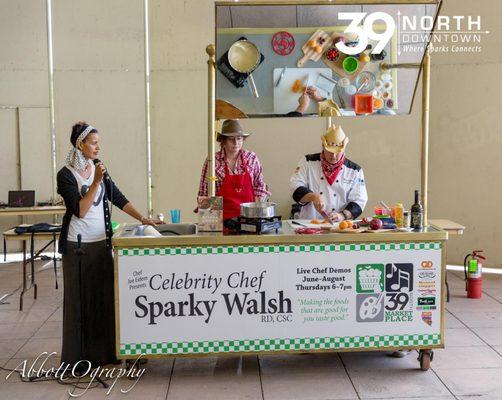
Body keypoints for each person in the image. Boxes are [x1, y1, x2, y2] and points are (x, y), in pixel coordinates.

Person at [57, 121, 158, 369]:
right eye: (93, 143)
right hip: (77, 247)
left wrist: (143, 218)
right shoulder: (66, 174)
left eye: (98, 143)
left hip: (102, 244)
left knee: (105, 299)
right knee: (80, 303)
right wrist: (94, 183)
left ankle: (105, 354)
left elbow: (117, 197)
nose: (97, 148)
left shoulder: (99, 168)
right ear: (80, 144)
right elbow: (80, 210)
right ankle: (78, 360)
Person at [290, 124, 367, 221]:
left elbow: (359, 200)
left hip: (339, 226)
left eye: (338, 151)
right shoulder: (308, 162)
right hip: (309, 223)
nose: (334, 155)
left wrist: (342, 216)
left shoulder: (355, 170)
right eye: (330, 151)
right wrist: (313, 197)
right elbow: (295, 186)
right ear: (323, 146)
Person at [198, 119, 270, 220]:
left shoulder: (251, 158)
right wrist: (211, 224)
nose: (236, 143)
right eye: (231, 139)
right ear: (223, 141)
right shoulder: (213, 161)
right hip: (221, 219)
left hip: (249, 219)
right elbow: (204, 193)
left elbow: (260, 186)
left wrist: (255, 210)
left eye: (239, 138)